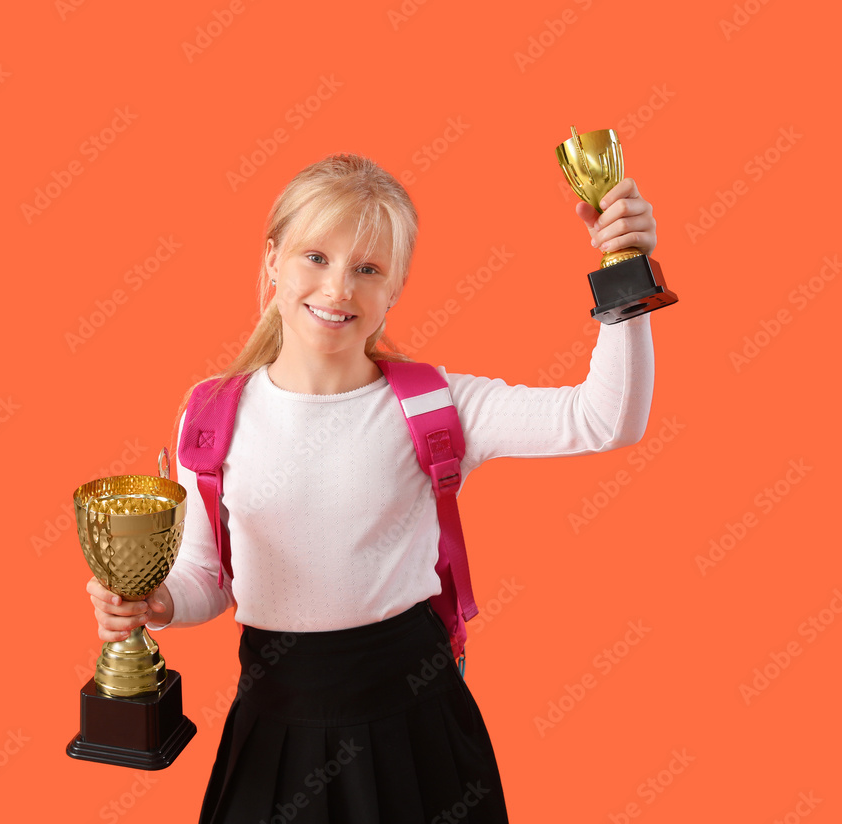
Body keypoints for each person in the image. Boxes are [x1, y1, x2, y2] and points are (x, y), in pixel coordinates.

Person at [87, 152, 657, 823]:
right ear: (272, 259)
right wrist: (154, 602)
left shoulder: (435, 408)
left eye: (368, 270)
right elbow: (209, 579)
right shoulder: (209, 415)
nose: (338, 290)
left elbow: (604, 418)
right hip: (273, 728)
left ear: (396, 289)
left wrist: (624, 265)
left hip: (415, 731)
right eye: (316, 257)